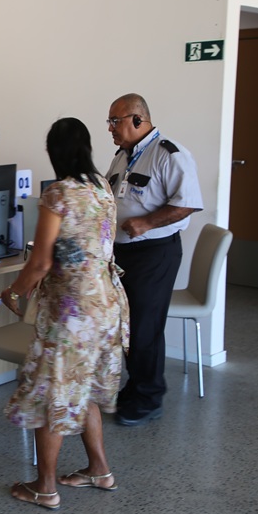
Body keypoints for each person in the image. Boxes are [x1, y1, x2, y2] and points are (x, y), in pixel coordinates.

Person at [0, 118, 129, 509]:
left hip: (72, 315)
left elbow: (40, 262)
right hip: (106, 305)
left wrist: (13, 291)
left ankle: (45, 487)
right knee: (83, 386)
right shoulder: (102, 186)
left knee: (51, 394)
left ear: (55, 152)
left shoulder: (58, 193)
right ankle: (99, 470)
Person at [104, 93, 203, 426]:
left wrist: (146, 222)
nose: (110, 128)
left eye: (115, 121)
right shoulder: (122, 156)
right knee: (127, 326)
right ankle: (135, 388)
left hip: (153, 253)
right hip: (122, 253)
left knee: (144, 326)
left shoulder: (170, 154)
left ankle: (149, 398)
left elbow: (187, 203)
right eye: (109, 122)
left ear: (137, 120)